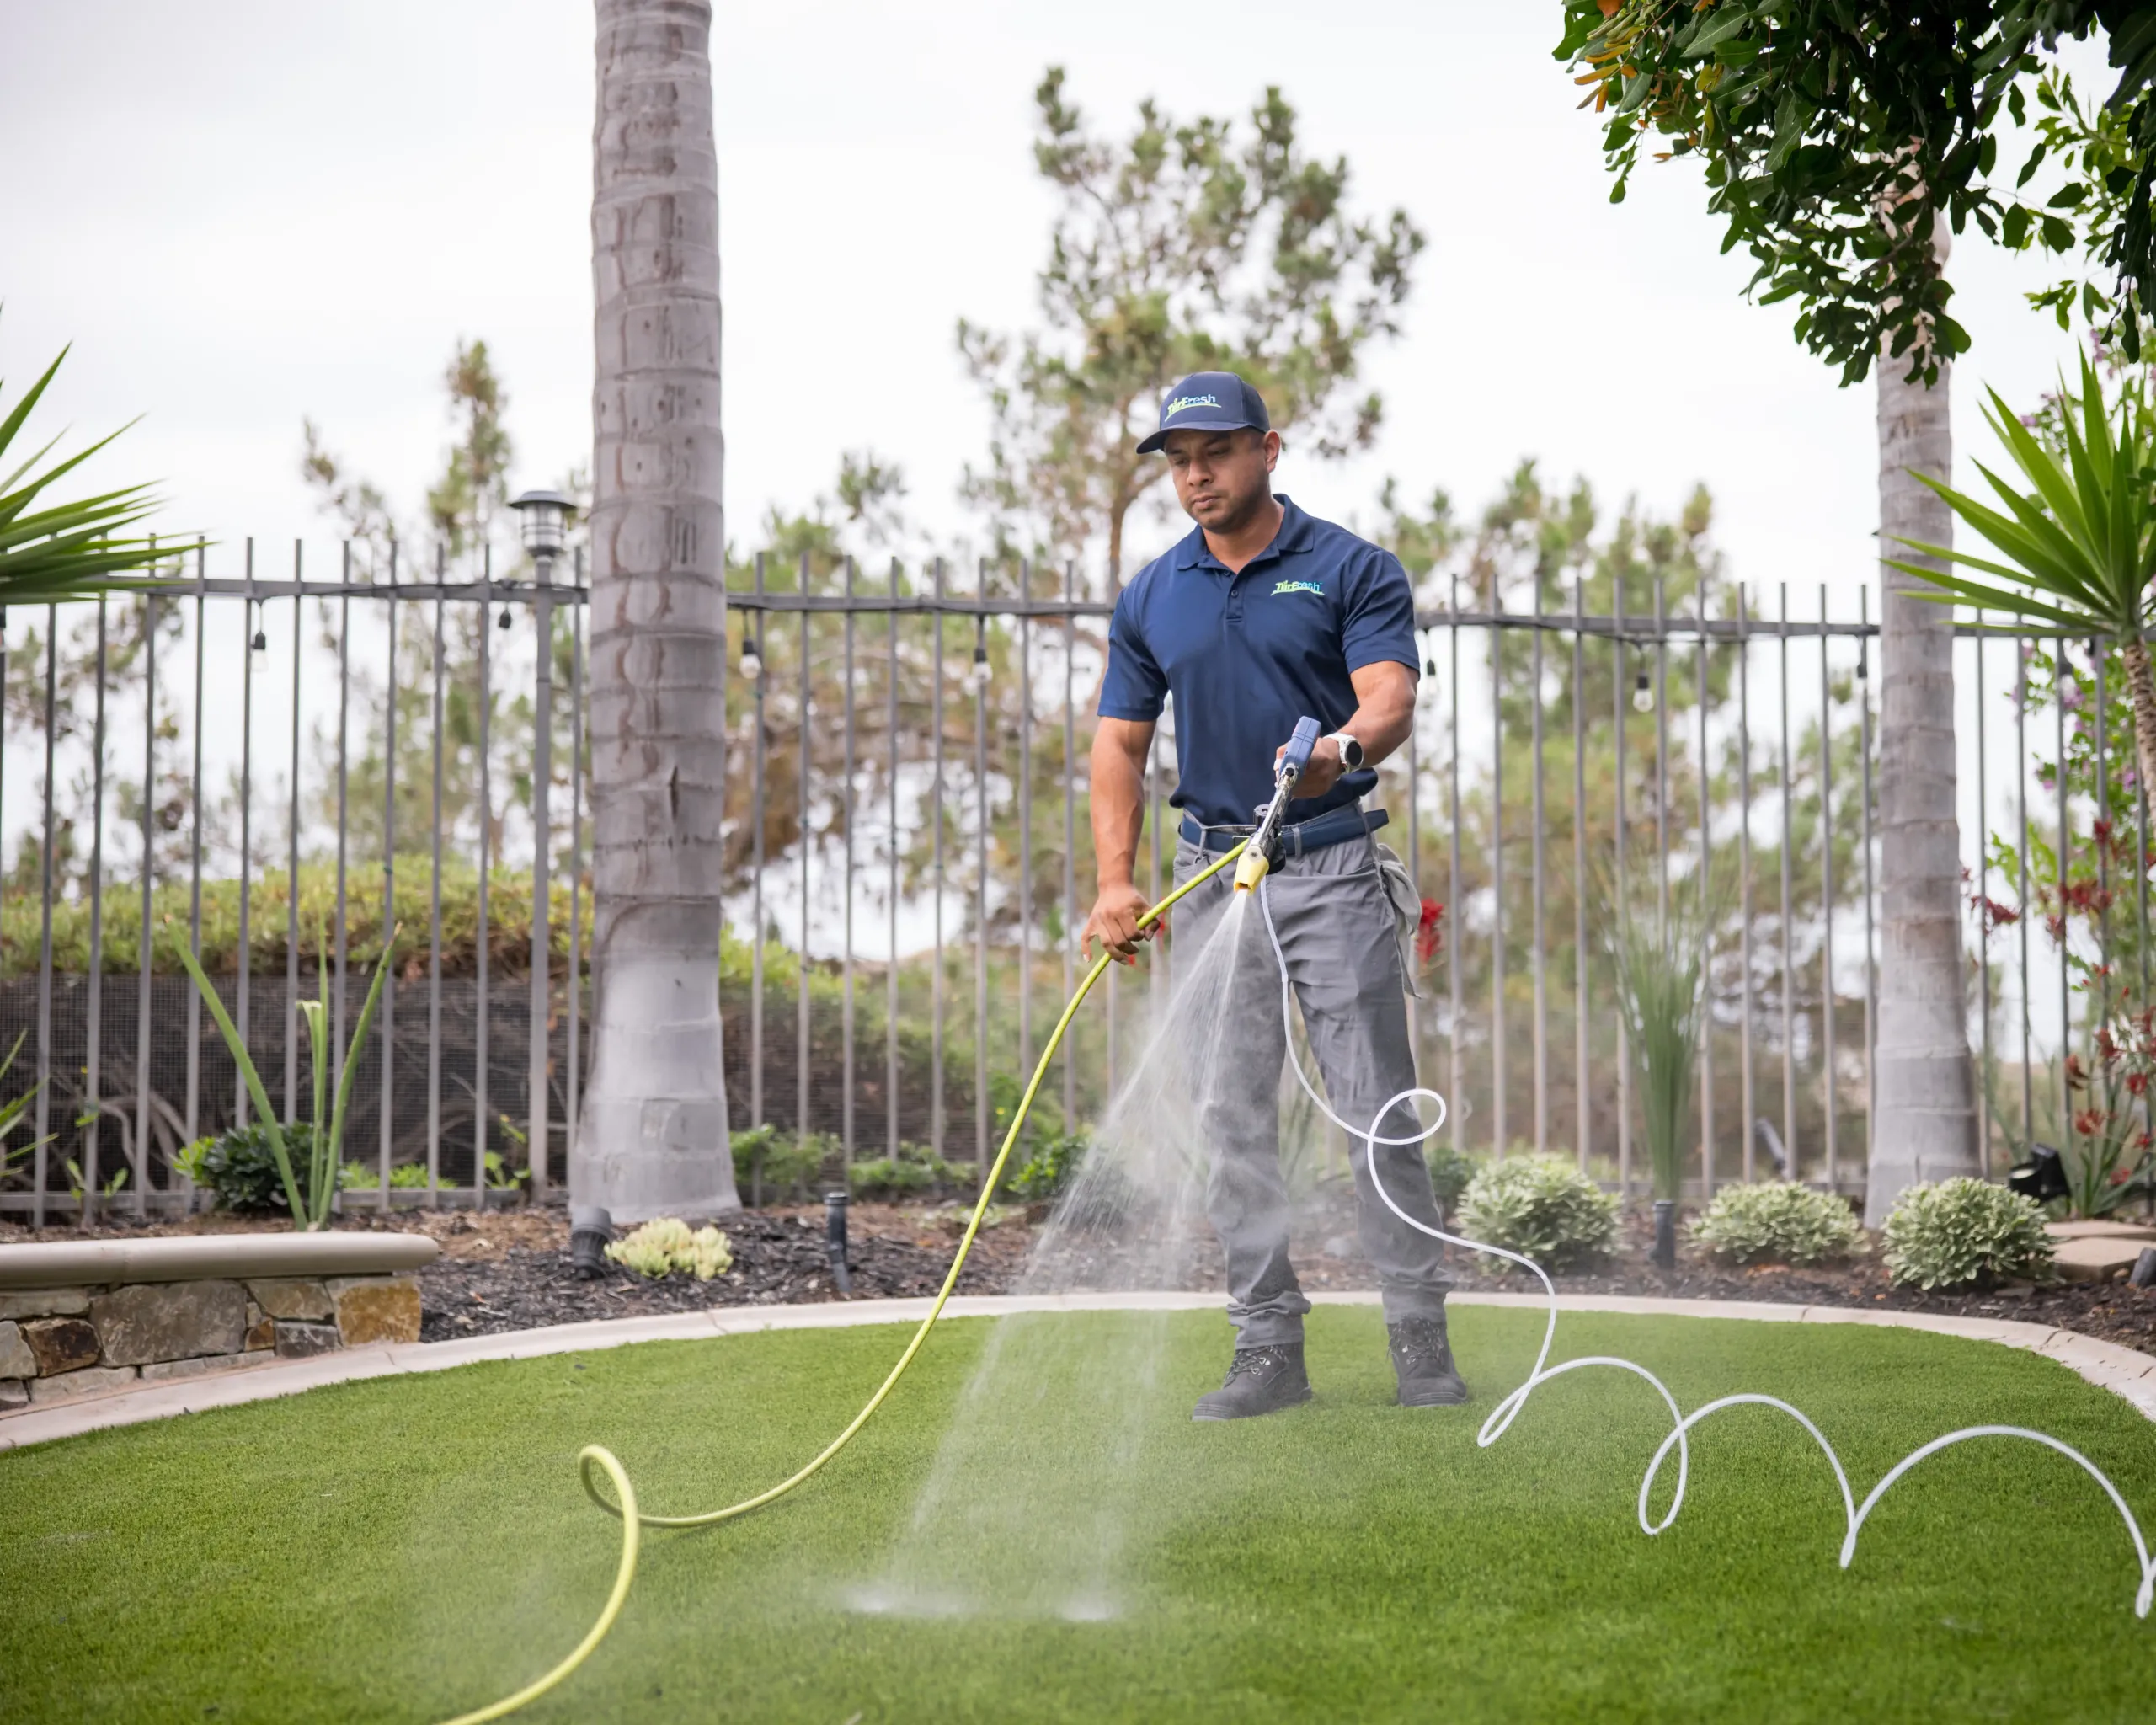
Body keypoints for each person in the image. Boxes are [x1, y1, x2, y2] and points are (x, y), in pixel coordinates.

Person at [1081, 370, 1465, 1421]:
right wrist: (1115, 880)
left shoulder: (1348, 567)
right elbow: (1118, 744)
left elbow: (1389, 695)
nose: (1195, 476)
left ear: (1268, 448)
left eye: (1215, 452)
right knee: (1227, 1113)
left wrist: (1342, 748)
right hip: (1215, 875)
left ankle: (1418, 1339)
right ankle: (1267, 1346)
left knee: (1374, 1108)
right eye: (1178, 460)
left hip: (1332, 862)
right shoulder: (1154, 593)